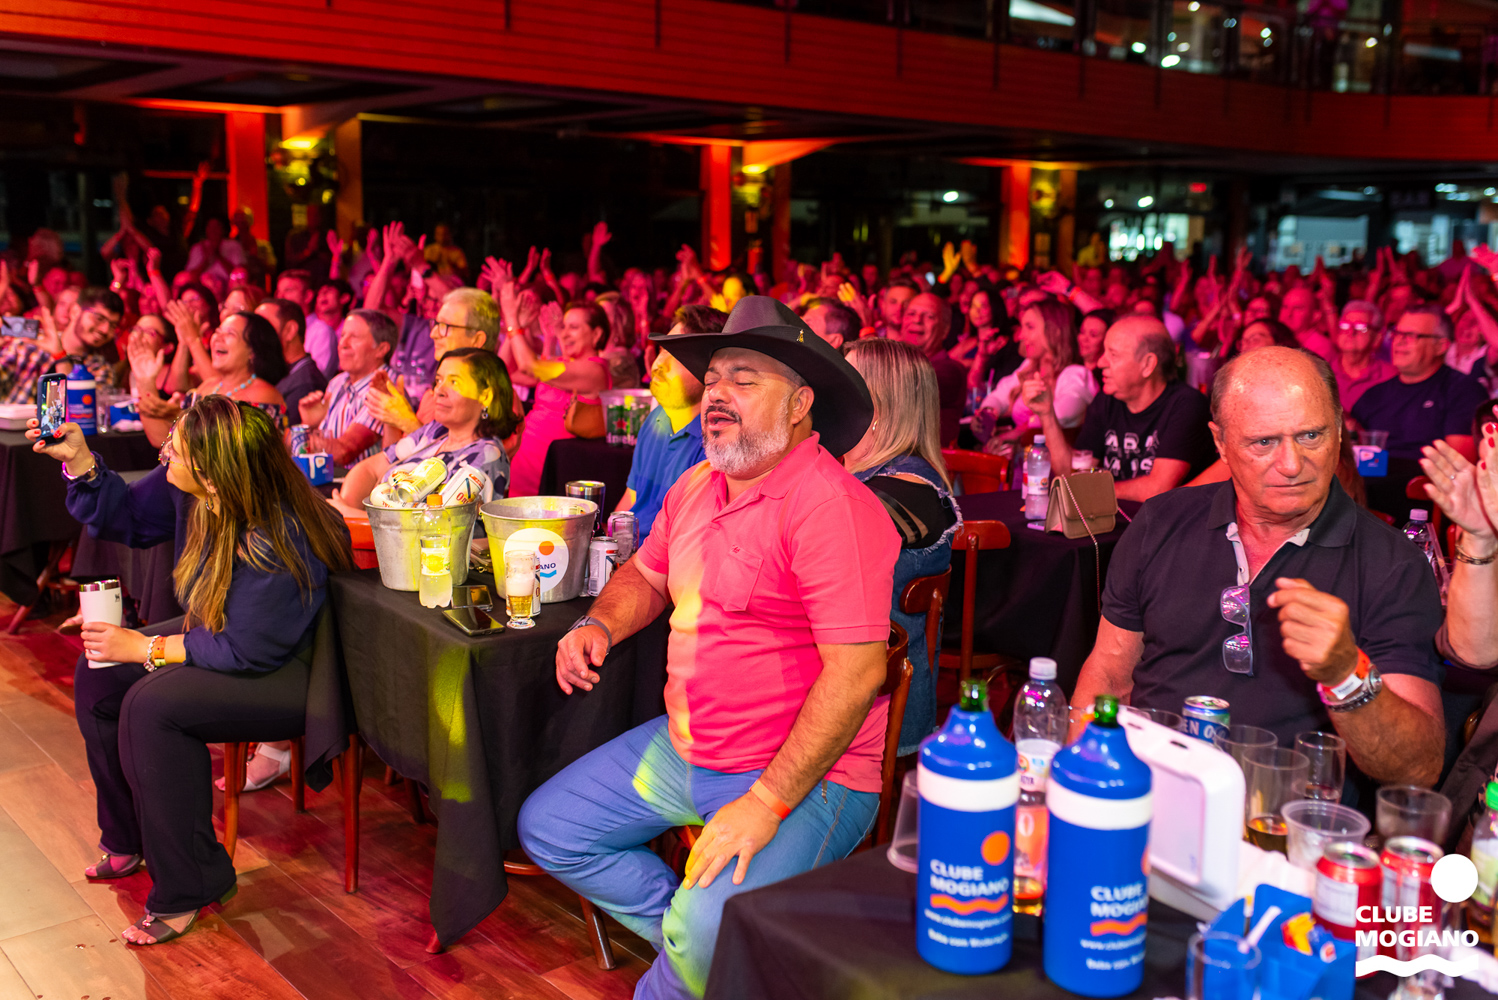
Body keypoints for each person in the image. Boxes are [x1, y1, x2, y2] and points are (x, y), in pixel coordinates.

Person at [518, 296, 897, 1000]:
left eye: (744, 380)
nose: (717, 393)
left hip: (808, 772)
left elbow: (856, 675)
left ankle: (707, 948)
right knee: (552, 829)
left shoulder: (832, 508)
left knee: (706, 926)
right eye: (715, 378)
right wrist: (598, 624)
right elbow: (645, 576)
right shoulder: (698, 484)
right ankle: (720, 948)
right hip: (690, 746)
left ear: (799, 405)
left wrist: (766, 802)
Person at [29, 396, 353, 945]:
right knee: (102, 670)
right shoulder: (196, 488)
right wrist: (80, 459)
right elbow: (127, 515)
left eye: (174, 450)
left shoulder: (280, 533)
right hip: (228, 635)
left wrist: (147, 648)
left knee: (152, 706)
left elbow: (246, 649)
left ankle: (191, 883)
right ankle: (129, 837)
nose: (164, 455)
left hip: (292, 671)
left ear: (212, 470)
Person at [1070, 347, 1446, 802]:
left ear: (1339, 430)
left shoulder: (1393, 564)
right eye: (1263, 442)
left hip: (1290, 821)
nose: (1291, 464)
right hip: (1150, 795)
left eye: (1311, 435)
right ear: (1220, 442)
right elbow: (1109, 677)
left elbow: (1417, 769)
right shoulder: (1159, 523)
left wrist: (1346, 673)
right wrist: (1079, 789)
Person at [842, 338, 959, 754]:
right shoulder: (849, 471)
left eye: (844, 380)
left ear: (878, 405)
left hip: (875, 715)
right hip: (839, 694)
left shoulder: (913, 490)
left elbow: (817, 533)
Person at [1029, 316, 1215, 500]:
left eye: (1113, 355)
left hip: (1165, 520)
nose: (1101, 362)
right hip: (1114, 516)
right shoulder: (1106, 400)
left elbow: (1157, 488)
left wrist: (1090, 488)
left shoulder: (1187, 405)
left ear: (1147, 365)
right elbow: (1071, 474)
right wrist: (1046, 414)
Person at [335, 348, 518, 509]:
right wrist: (347, 507)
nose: (439, 390)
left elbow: (436, 525)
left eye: (454, 382)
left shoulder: (486, 455)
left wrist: (347, 515)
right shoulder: (436, 431)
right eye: (438, 380)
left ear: (485, 396)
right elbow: (370, 469)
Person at [1351, 304, 1488, 514]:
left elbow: (1458, 467)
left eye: (1411, 336)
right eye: (1397, 333)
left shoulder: (1463, 390)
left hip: (1420, 501)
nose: (1399, 341)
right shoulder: (1374, 395)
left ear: (1441, 346)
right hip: (1364, 494)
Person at [614, 305, 720, 540]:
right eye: (663, 349)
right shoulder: (656, 419)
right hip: (631, 550)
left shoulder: (715, 441)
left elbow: (690, 541)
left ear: (710, 371)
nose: (660, 363)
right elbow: (632, 498)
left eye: (676, 355)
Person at [504, 300, 613, 497]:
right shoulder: (561, 363)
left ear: (597, 334)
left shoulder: (595, 370)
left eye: (574, 327)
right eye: (563, 327)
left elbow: (530, 366)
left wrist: (512, 321)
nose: (565, 333)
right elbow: (506, 371)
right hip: (520, 465)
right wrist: (521, 327)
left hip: (546, 475)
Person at [365, 286, 502, 441]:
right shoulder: (433, 393)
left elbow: (457, 455)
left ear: (477, 339)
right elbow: (394, 453)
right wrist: (391, 415)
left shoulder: (489, 397)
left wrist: (407, 422)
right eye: (435, 324)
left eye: (445, 326)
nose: (433, 334)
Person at [978, 297, 1095, 451]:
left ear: (1054, 331)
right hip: (1026, 458)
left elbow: (1061, 414)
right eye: (1022, 327)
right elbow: (1000, 395)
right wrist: (987, 413)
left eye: (1030, 327)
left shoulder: (1076, 374)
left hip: (1058, 463)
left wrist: (1018, 432)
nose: (1021, 335)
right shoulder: (1029, 367)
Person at [289, 309, 396, 467]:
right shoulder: (338, 382)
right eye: (343, 335)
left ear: (381, 349)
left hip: (363, 482)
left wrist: (297, 438)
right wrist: (309, 424)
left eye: (354, 337)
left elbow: (343, 452)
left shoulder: (386, 386)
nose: (342, 344)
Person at [898, 292, 968, 446]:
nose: (917, 320)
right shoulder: (899, 364)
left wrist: (868, 333)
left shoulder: (951, 371)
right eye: (911, 314)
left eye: (929, 316)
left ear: (945, 329)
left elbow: (905, 388)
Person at [256, 298, 327, 419]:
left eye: (263, 325)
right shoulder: (277, 371)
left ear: (289, 331)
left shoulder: (305, 385)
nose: (253, 334)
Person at [1330, 300, 1395, 412]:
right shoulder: (1320, 372)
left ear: (1377, 337)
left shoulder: (1390, 378)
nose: (1351, 332)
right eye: (1345, 326)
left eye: (1361, 327)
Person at [307, 278, 353, 378]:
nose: (323, 294)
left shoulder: (352, 330)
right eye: (320, 293)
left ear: (344, 298)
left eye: (329, 291)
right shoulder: (308, 327)